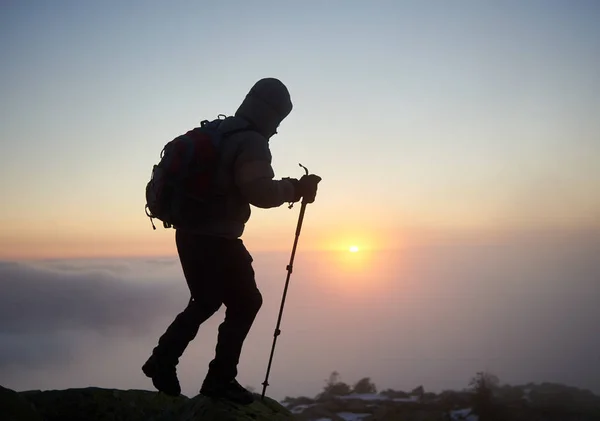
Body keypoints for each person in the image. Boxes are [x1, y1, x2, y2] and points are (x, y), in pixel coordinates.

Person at [141, 78, 321, 405]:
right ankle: (219, 379)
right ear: (271, 115)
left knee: (207, 300)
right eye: (278, 120)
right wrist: (297, 189)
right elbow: (260, 192)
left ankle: (162, 360)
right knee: (246, 302)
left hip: (188, 232)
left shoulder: (220, 131)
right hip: (218, 238)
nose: (277, 130)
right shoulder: (251, 142)